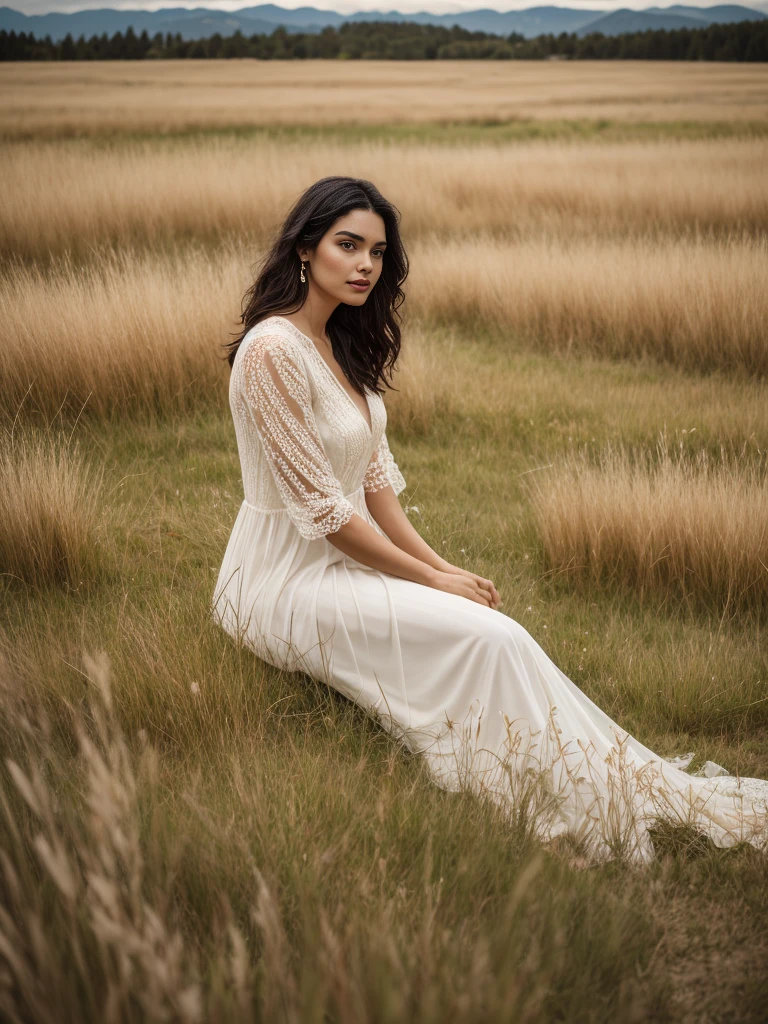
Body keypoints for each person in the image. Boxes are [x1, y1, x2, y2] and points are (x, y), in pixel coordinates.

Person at [212, 175, 767, 865]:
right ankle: (535, 807)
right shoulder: (273, 353)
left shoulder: (340, 347)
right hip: (283, 582)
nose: (364, 265)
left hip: (342, 563)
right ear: (304, 249)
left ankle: (584, 779)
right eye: (347, 245)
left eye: (378, 253)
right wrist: (427, 581)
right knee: (488, 642)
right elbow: (326, 514)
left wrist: (442, 568)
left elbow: (375, 489)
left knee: (500, 630)